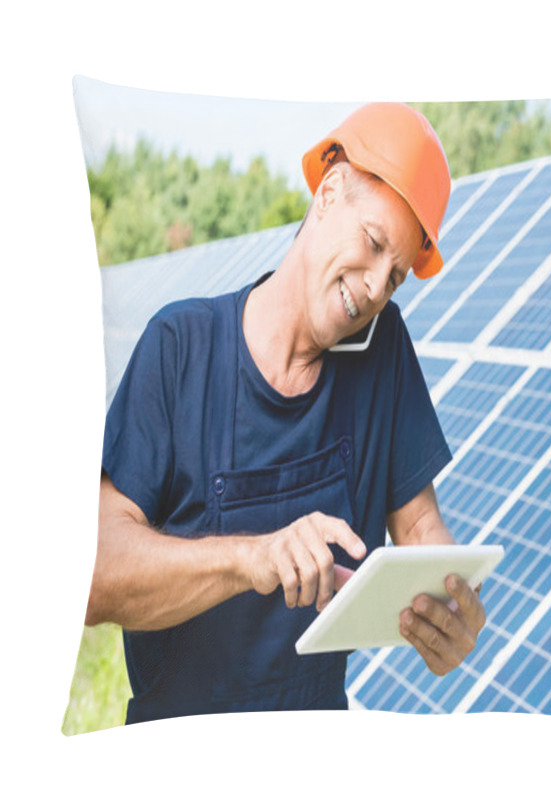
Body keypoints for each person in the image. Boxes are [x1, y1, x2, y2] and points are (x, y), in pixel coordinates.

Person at [87, 102, 487, 724]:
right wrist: (252, 557)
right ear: (328, 194)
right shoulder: (180, 348)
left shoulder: (383, 353)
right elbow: (94, 571)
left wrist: (451, 606)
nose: (377, 288)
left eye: (397, 276)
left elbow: (421, 530)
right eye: (374, 244)